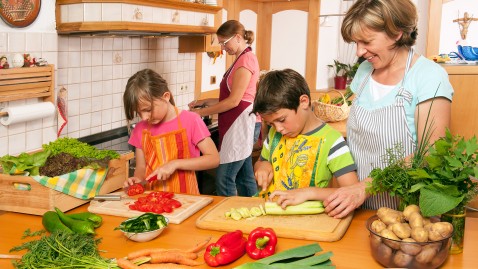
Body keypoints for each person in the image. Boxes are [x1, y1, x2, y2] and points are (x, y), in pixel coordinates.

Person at [323, 0, 454, 218]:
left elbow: (431, 154)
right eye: (355, 42)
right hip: (359, 207)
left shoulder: (428, 76)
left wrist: (365, 187)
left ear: (396, 33)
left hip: (408, 213)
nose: (359, 51)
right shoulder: (365, 71)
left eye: (366, 41)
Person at [252, 69, 359, 211]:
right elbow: (261, 162)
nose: (278, 129)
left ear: (303, 101)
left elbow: (351, 192)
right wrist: (262, 166)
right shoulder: (274, 135)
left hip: (308, 222)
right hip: (270, 215)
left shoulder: (331, 140)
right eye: (271, 123)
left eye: (282, 120)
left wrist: (308, 192)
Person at [189, 20, 260, 197]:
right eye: (220, 43)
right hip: (238, 124)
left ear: (237, 38)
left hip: (241, 124)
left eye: (224, 42)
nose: (222, 47)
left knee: (224, 178)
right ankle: (252, 215)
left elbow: (234, 101)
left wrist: (199, 114)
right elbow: (231, 97)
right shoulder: (242, 58)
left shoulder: (245, 61)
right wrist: (204, 101)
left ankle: (227, 217)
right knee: (244, 178)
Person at [124, 69, 220, 194]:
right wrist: (136, 180)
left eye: (147, 110)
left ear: (166, 97)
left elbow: (214, 159)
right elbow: (141, 168)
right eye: (138, 113)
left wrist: (175, 164)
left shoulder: (191, 120)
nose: (144, 118)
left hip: (186, 199)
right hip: (151, 200)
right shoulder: (140, 129)